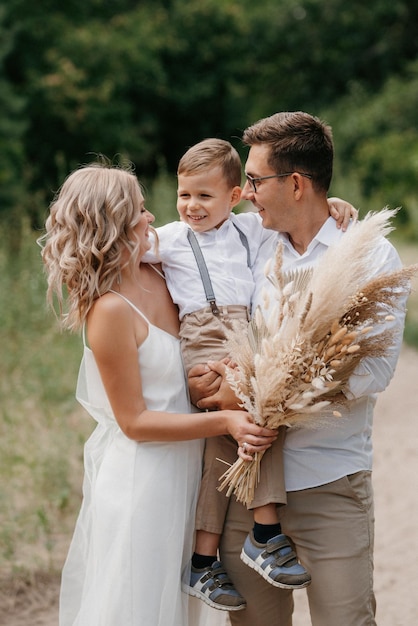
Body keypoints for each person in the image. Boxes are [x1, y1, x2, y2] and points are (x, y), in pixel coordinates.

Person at [188, 112, 408, 626]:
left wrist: (245, 391)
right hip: (248, 485)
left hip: (329, 483)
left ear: (295, 183)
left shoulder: (369, 256)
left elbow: (369, 376)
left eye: (257, 180)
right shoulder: (254, 244)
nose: (246, 192)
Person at [38, 162, 277, 626]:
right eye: (141, 211)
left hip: (190, 473)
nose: (152, 219)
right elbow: (135, 422)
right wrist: (225, 422)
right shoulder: (109, 310)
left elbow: (231, 233)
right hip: (143, 483)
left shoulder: (163, 274)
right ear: (114, 223)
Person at [146, 138, 357, 612]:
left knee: (227, 444)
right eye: (184, 195)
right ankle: (264, 533)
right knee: (259, 417)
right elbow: (125, 248)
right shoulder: (171, 238)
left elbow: (302, 220)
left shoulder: (250, 230)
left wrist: (335, 205)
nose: (191, 206)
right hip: (204, 342)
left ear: (236, 194)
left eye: (204, 196)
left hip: (244, 336)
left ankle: (203, 561)